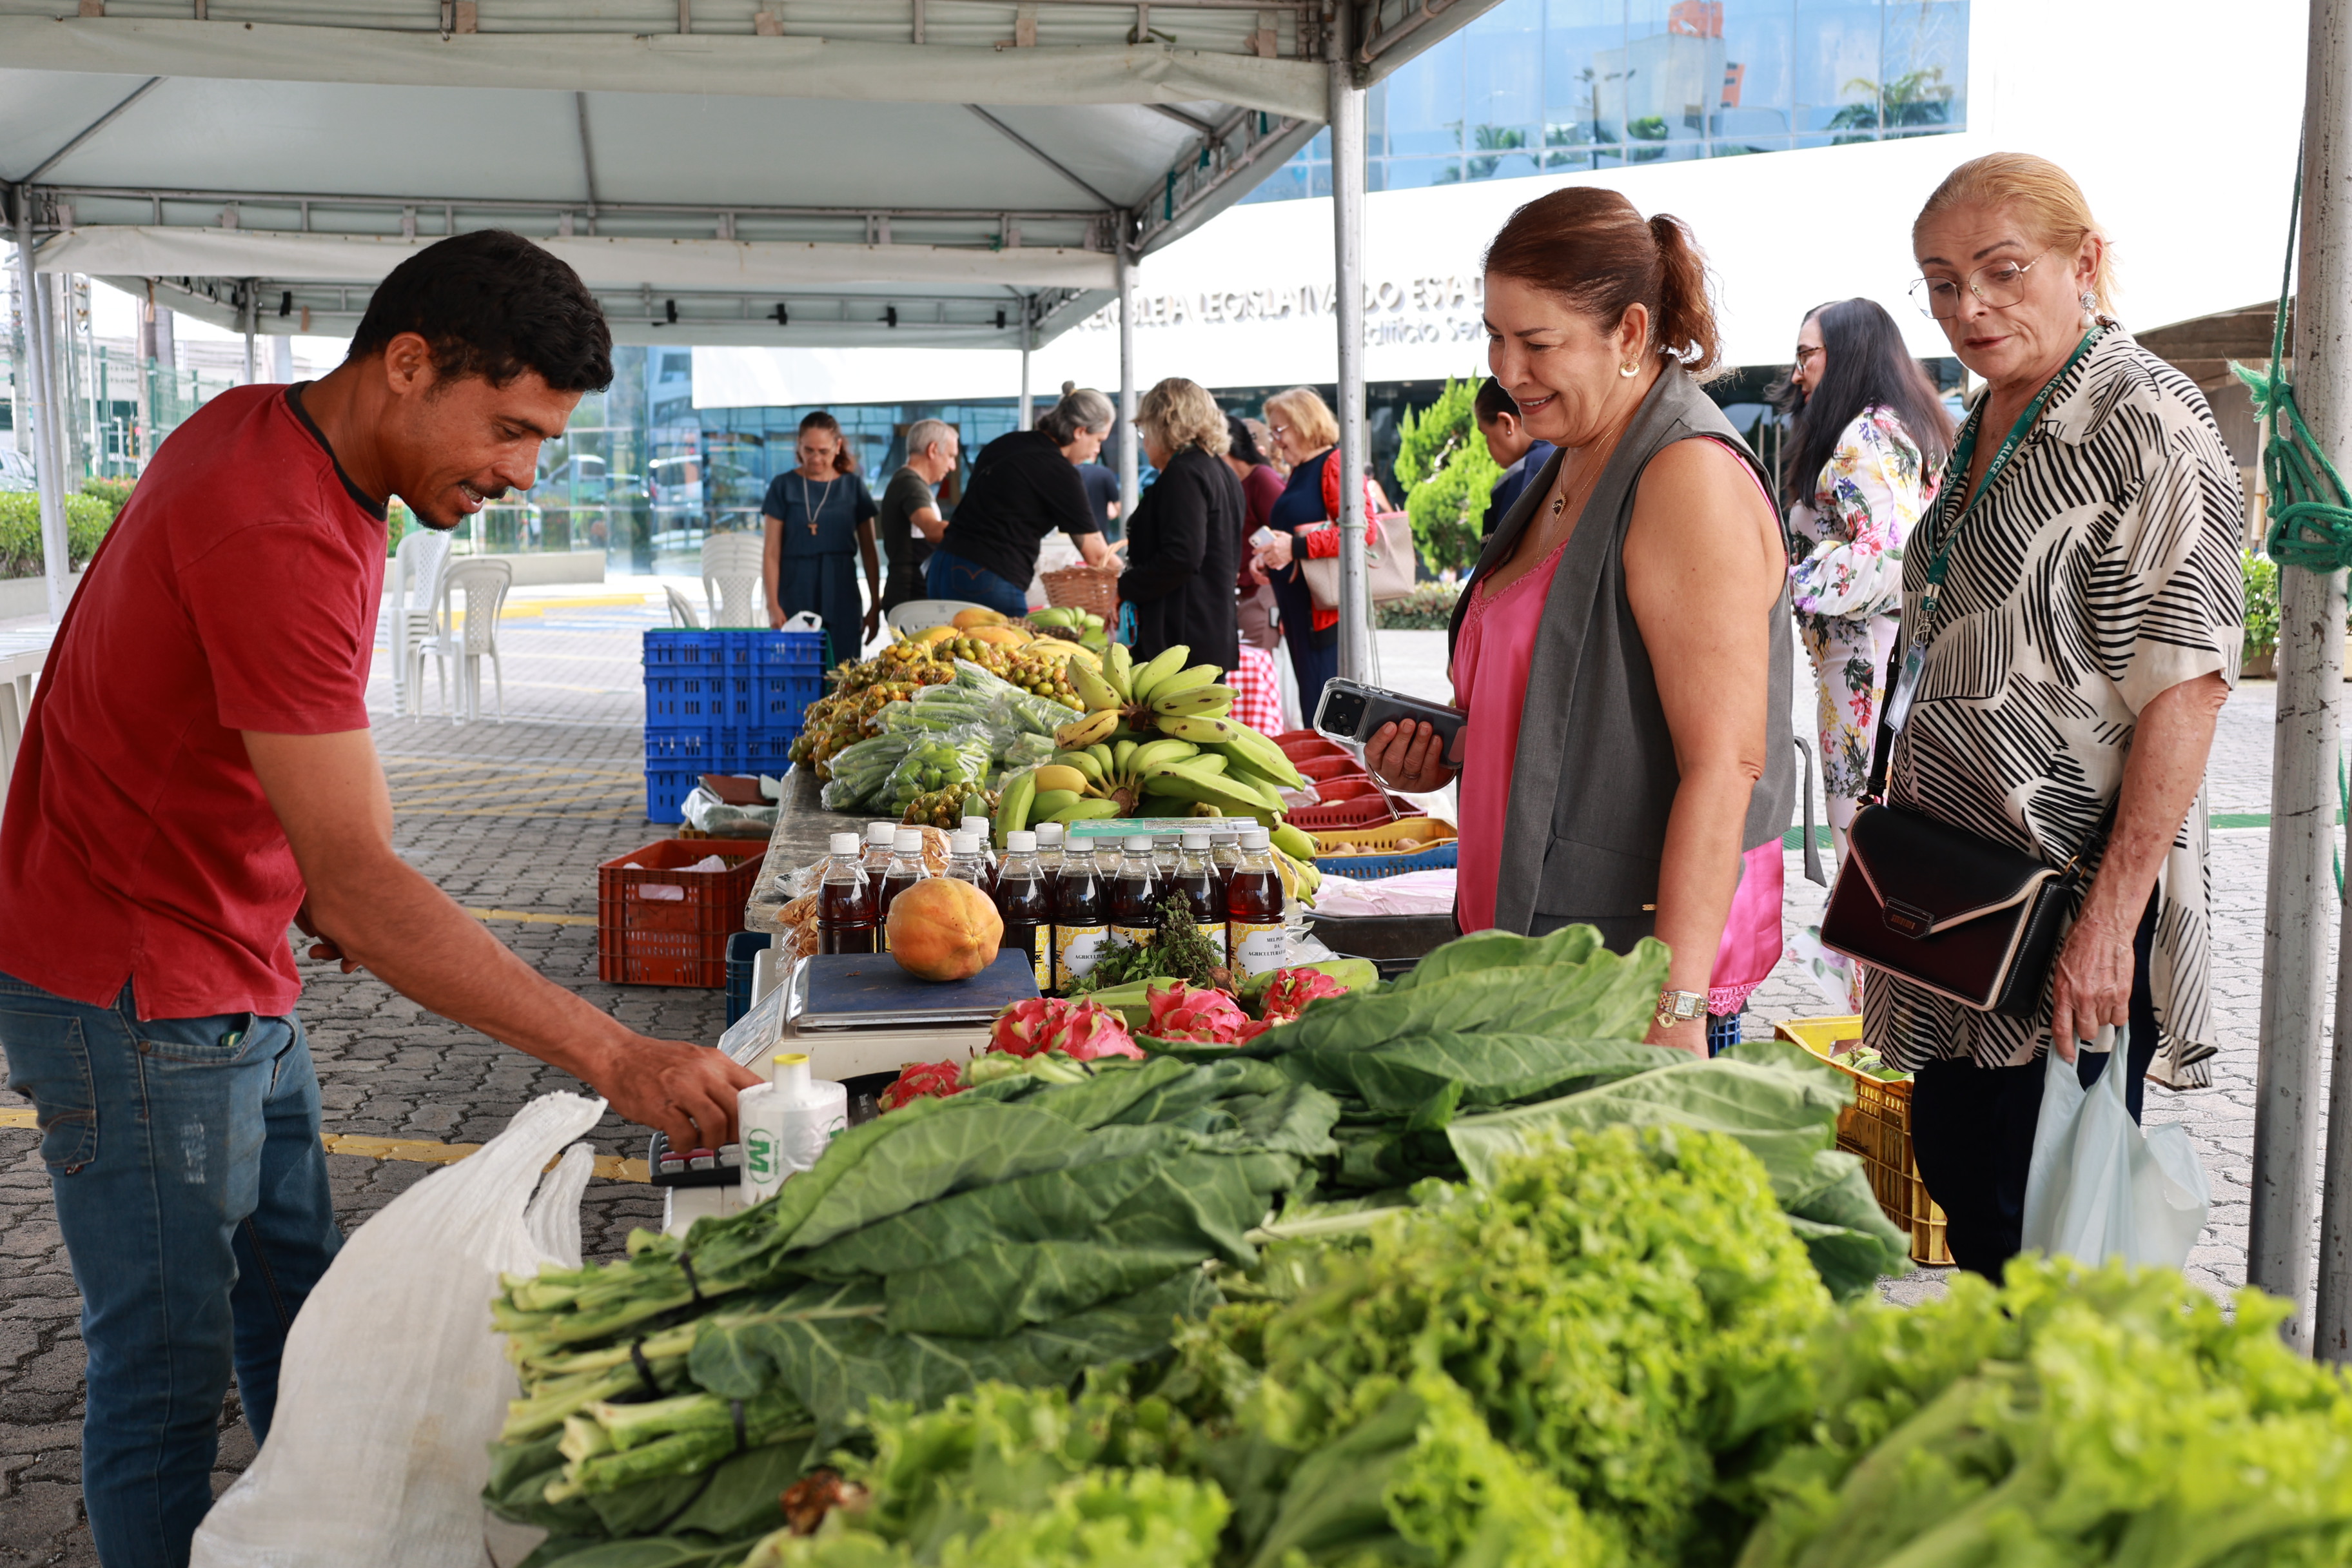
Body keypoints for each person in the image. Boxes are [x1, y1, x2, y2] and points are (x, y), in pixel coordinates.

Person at [0, 230, 760, 1567]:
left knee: (305, 1309)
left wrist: (308, 877)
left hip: (232, 955)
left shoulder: (276, 433)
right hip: (132, 988)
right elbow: (362, 886)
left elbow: (257, 748)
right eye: (510, 430)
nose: (523, 474)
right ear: (408, 364)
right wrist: (616, 1053)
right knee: (162, 1375)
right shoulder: (277, 525)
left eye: (544, 443)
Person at [1863, 152, 2239, 1276]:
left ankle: (2067, 1395)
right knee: (1964, 1168)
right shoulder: (1990, 412)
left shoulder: (2146, 417)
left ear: (2084, 262)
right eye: (1940, 282)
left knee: (2045, 1231)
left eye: (2002, 270)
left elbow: (2187, 682)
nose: (1968, 307)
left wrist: (2109, 923)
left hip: (2068, 897)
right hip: (1955, 883)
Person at [1360, 188, 1795, 1058]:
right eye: (1494, 336)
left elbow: (1727, 765)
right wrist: (1453, 747)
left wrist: (1676, 1008)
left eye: (1537, 342)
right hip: (1542, 959)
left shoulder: (1686, 476)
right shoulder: (1575, 457)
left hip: (1629, 988)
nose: (1507, 370)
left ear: (1629, 333)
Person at [1775, 298, 1954, 867]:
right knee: (1879, 845)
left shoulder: (1866, 435)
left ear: (1847, 354)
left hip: (1866, 670)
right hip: (1886, 664)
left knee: (1862, 846)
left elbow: (1889, 556)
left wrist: (1783, 581)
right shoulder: (1899, 425)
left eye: (1807, 354)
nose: (1797, 373)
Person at [926, 384, 1124, 616]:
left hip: (941, 566)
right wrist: (1131, 578)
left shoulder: (1006, 443)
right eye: (1099, 440)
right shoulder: (1059, 470)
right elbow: (1097, 555)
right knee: (1013, 641)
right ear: (1080, 431)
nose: (1096, 451)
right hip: (986, 576)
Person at [1248, 386, 1362, 721]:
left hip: (1323, 615)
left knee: (1327, 713)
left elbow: (1361, 532)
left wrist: (1294, 548)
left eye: (1279, 431)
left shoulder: (1333, 463)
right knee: (1315, 707)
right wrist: (1271, 556)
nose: (1276, 441)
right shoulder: (1301, 469)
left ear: (1304, 424)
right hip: (1300, 612)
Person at [1120, 378, 1243, 674]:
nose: (1144, 442)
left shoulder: (1184, 473)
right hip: (1207, 632)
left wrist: (1125, 586)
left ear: (1162, 425)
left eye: (1144, 429)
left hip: (1180, 642)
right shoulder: (1220, 470)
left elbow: (1182, 557)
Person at [762, 411, 879, 664]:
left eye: (823, 451)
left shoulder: (854, 487)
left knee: (844, 670)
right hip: (795, 588)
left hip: (842, 589)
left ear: (838, 447)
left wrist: (875, 605)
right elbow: (771, 552)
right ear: (798, 445)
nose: (815, 458)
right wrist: (773, 605)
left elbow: (870, 552)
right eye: (809, 450)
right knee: (797, 669)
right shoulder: (782, 486)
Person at [878, 417, 959, 613]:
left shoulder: (910, 483)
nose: (953, 466)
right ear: (933, 450)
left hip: (913, 596)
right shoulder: (910, 484)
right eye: (950, 456)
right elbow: (933, 530)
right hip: (910, 599)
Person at [1223, 413, 1286, 652]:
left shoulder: (1262, 479)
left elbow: (1285, 536)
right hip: (1243, 594)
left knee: (1258, 665)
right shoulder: (1237, 482)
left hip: (1262, 595)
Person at [1474, 376, 1556, 538]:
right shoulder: (1571, 454)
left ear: (1507, 423)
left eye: (1485, 435)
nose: (1487, 445)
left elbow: (1508, 550)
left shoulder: (1524, 473)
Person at [1079, 459, 1123, 541]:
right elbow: (1117, 508)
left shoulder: (1069, 472)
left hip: (1073, 533)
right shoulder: (1105, 473)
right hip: (1098, 532)